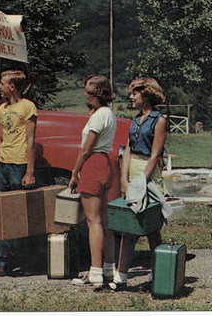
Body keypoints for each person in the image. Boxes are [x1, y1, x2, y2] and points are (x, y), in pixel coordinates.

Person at [111, 77, 168, 291]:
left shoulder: (158, 120)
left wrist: (140, 182)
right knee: (128, 227)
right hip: (132, 171)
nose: (131, 97)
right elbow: (128, 151)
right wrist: (124, 180)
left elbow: (154, 156)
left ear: (145, 95)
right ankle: (121, 277)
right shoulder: (135, 120)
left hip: (148, 176)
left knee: (152, 229)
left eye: (135, 93)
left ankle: (160, 275)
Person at [69, 75, 117, 288]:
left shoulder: (98, 117)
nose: (85, 94)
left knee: (93, 221)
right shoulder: (108, 114)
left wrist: (75, 172)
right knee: (103, 220)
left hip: (93, 163)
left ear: (96, 93)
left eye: (88, 91)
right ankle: (108, 267)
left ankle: (95, 272)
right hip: (105, 163)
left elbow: (86, 148)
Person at [0, 69, 37, 276]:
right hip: (3, 164)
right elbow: (1, 138)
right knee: (2, 213)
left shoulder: (28, 107)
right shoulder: (2, 108)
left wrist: (30, 171)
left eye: (2, 84)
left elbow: (30, 140)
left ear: (12, 87)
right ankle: (2, 262)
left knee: (19, 214)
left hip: (19, 164)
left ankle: (25, 262)